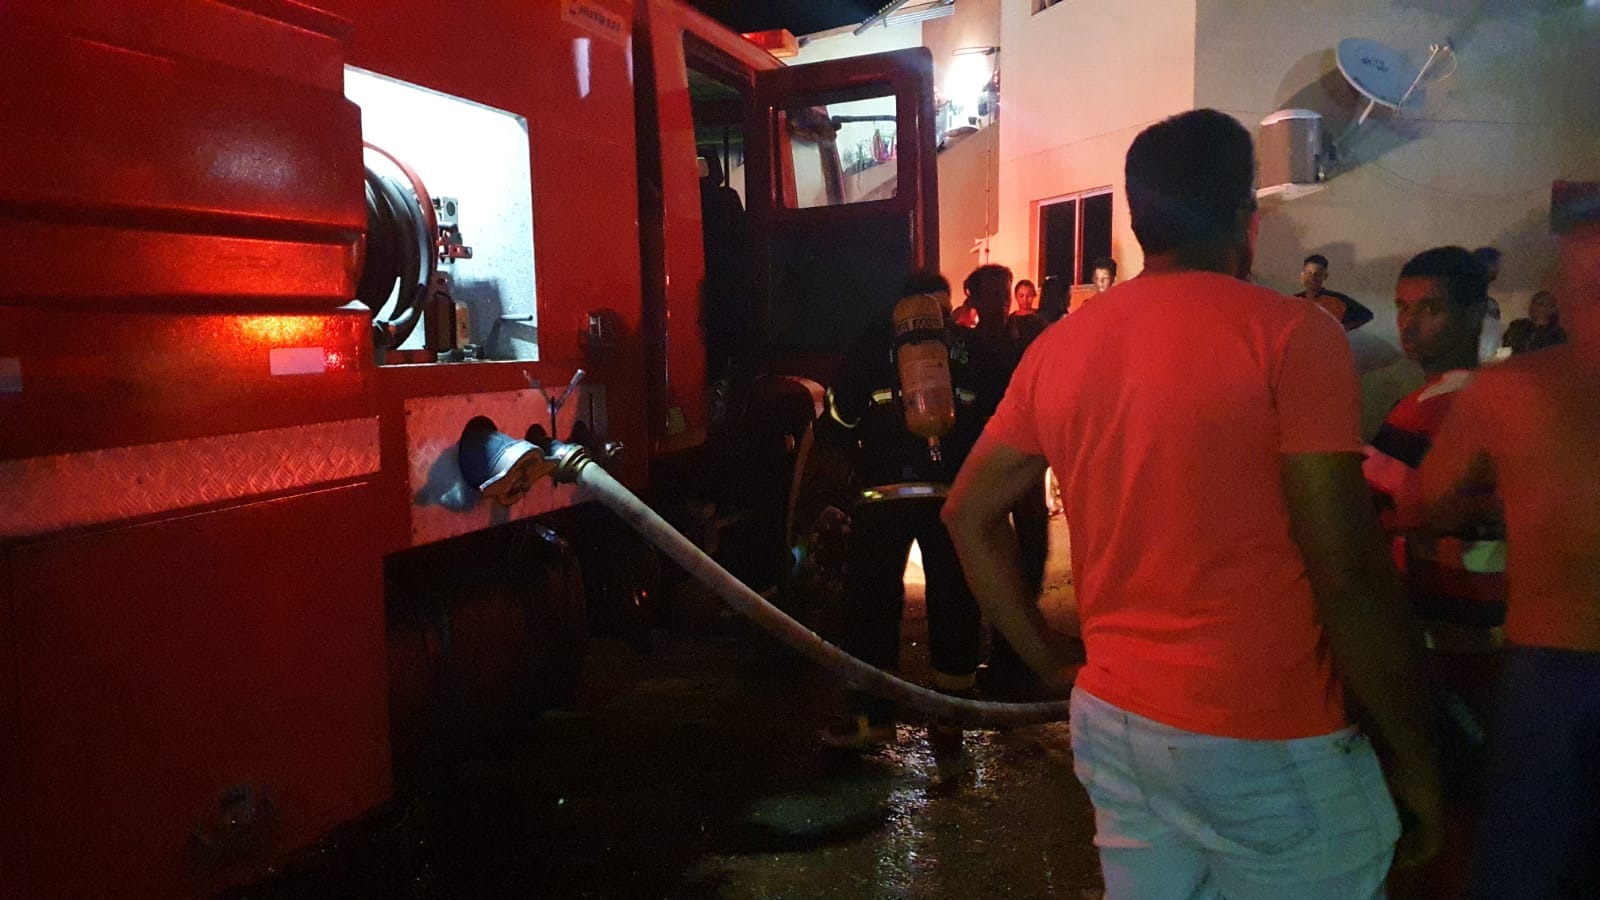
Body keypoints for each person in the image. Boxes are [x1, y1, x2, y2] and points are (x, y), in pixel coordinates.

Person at [943, 109, 1442, 897]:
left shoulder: (1060, 348)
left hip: (1115, 725)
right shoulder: (1291, 336)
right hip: (1267, 733)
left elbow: (967, 517)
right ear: (1247, 219)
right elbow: (1344, 567)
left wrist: (1050, 663)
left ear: (1140, 223)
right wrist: (1419, 761)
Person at [1421, 218, 1600, 899]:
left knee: (1522, 863)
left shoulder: (1510, 390)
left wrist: (1498, 503)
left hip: (1550, 658)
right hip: (1545, 657)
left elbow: (1422, 507)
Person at [817, 267, 1021, 747]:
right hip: (954, 497)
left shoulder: (872, 345)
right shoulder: (971, 349)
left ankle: (872, 717)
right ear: (947, 306)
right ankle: (949, 715)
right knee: (955, 600)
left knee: (871, 603)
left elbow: (837, 422)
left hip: (881, 498)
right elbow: (1004, 419)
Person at [1297, 253, 1375, 331]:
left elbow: (1367, 315)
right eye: (1309, 273)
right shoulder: (1296, 300)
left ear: (1325, 276)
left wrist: (1342, 329)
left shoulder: (1337, 299)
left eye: (1318, 274)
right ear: (1302, 275)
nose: (1312, 278)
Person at [1501, 289, 1566, 355]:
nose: (1535, 306)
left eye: (1541, 303)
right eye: (1534, 302)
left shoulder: (1556, 335)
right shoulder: (1517, 326)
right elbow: (1504, 348)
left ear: (1551, 309)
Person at [1471, 247, 1505, 363]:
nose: (1498, 269)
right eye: (1495, 264)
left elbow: (1494, 341)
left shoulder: (1491, 304)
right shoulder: (1464, 301)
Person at [1008, 278, 1046, 347]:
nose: (1025, 299)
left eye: (1029, 296)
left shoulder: (1040, 316)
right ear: (1016, 296)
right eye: (1021, 296)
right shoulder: (1011, 319)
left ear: (1034, 295)